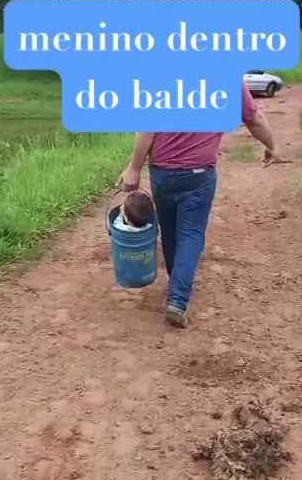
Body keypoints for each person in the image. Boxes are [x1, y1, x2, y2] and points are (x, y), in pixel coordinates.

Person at [119, 80, 288, 328]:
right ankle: (177, 299)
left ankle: (177, 282)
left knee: (170, 231)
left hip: (163, 173)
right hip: (199, 175)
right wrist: (272, 146)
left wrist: (134, 168)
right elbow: (254, 119)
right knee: (190, 235)